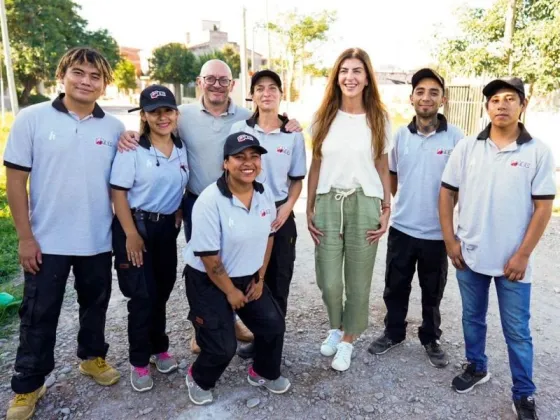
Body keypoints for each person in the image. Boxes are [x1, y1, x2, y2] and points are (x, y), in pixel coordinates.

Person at [118, 60, 302, 353]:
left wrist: (289, 122)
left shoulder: (244, 117)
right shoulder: (184, 115)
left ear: (232, 85)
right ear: (199, 81)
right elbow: (156, 129)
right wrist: (128, 135)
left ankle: (230, 321)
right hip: (198, 204)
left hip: (239, 203)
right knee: (204, 267)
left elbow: (271, 122)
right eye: (210, 79)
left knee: (236, 263)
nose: (217, 85)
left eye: (223, 80)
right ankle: (201, 325)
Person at [3, 47, 123, 420]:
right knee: (38, 313)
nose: (86, 81)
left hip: (97, 240)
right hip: (47, 240)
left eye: (95, 76)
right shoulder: (33, 118)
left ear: (104, 84)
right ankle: (28, 385)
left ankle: (92, 357)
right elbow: (15, 182)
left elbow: (119, 184)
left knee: (95, 304)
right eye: (78, 72)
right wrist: (25, 237)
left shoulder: (113, 128)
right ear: (62, 75)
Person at [439, 77, 556, 420]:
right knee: (472, 318)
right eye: (494, 99)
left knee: (517, 331)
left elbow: (544, 207)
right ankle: (477, 366)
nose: (501, 105)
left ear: (523, 105)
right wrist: (450, 240)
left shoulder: (537, 151)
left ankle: (524, 393)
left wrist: (522, 255)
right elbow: (446, 193)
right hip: (470, 255)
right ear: (486, 106)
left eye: (510, 99)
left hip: (513, 263)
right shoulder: (467, 147)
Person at [183, 132, 290, 405]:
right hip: (209, 280)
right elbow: (209, 257)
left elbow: (269, 237)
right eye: (239, 157)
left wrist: (260, 277)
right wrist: (230, 292)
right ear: (225, 163)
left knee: (273, 324)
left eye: (254, 156)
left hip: (248, 276)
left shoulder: (262, 193)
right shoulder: (210, 201)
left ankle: (262, 371)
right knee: (223, 347)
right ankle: (198, 377)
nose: (248, 162)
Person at [367, 69, 464, 368]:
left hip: (437, 233)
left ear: (443, 99)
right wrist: (402, 204)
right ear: (411, 98)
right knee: (395, 286)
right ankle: (393, 333)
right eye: (420, 91)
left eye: (433, 92)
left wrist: (448, 224)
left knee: (432, 292)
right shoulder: (400, 135)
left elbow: (459, 185)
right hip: (403, 229)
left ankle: (430, 337)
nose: (426, 97)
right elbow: (392, 177)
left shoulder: (457, 138)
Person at [306, 47, 392, 372]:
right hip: (328, 200)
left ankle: (348, 339)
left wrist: (386, 207)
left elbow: (382, 167)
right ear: (336, 77)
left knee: (357, 280)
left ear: (367, 78)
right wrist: (310, 205)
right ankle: (335, 325)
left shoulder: (379, 118)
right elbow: (315, 165)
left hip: (365, 201)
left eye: (357, 71)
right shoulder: (323, 117)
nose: (350, 77)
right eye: (344, 71)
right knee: (329, 278)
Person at [110, 85, 188, 392]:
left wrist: (179, 208)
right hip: (135, 226)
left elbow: (181, 181)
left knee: (162, 291)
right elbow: (118, 192)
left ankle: (159, 348)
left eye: (167, 110)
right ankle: (139, 361)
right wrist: (130, 234)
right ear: (144, 116)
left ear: (176, 113)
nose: (162, 117)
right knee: (142, 296)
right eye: (154, 112)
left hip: (166, 229)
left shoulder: (181, 147)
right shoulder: (133, 149)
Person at [230, 70, 307, 359]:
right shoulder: (240, 129)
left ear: (280, 94)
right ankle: (257, 335)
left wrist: (287, 209)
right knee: (248, 278)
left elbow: (297, 179)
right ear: (252, 94)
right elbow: (228, 170)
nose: (266, 93)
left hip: (279, 215)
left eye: (272, 88)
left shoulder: (292, 135)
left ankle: (272, 346)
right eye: (260, 88)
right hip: (247, 214)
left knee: (278, 280)